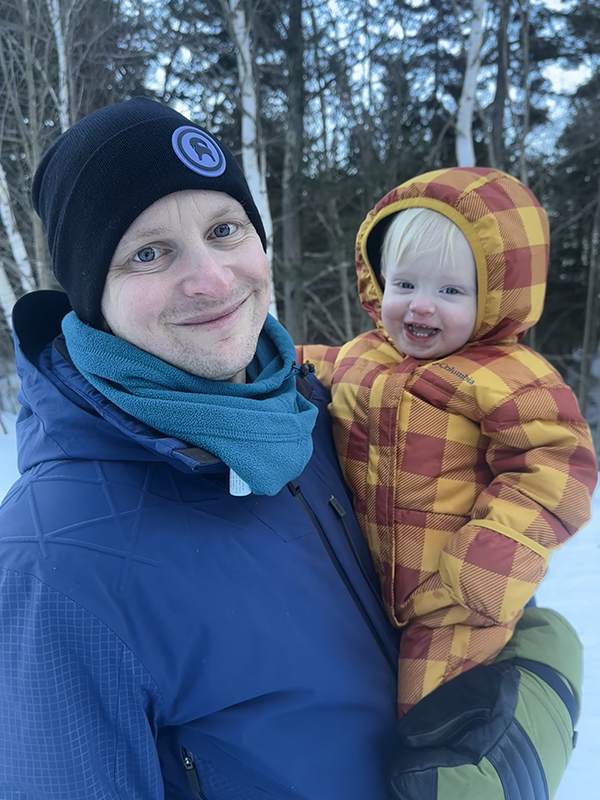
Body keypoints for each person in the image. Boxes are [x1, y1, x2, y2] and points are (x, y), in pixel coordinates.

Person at [0, 102, 588, 800]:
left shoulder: (312, 418)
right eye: (148, 252)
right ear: (93, 293)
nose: (213, 280)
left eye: (225, 229)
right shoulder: (52, 561)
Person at [297, 167, 597, 796]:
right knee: (367, 724)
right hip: (373, 591)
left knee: (437, 733)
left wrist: (485, 563)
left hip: (456, 601)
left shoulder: (511, 376)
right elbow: (314, 365)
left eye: (450, 290)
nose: (420, 304)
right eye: (404, 283)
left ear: (496, 299)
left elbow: (557, 468)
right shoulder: (364, 357)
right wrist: (263, 357)